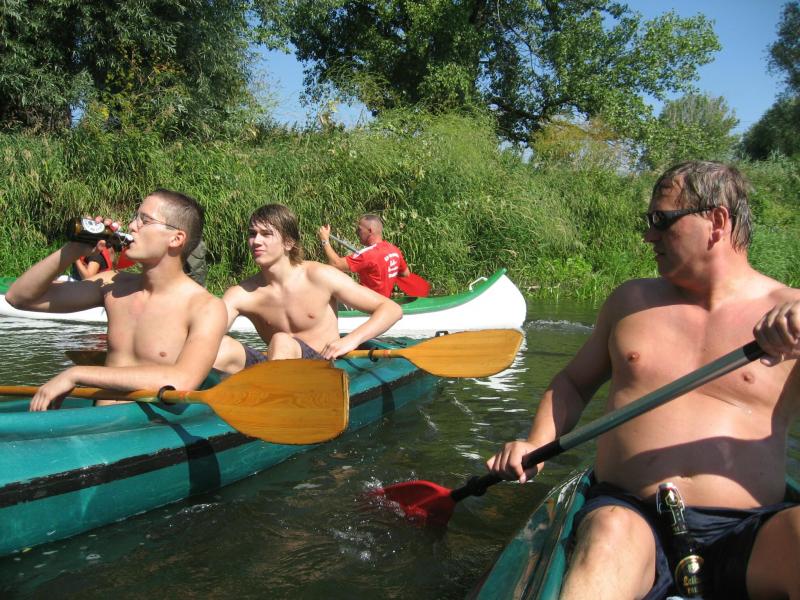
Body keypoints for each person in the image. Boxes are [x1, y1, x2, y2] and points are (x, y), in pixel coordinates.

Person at [485, 161, 800, 599]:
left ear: (717, 220)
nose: (649, 235)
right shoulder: (630, 301)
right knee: (610, 532)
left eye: (661, 220)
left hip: (753, 532)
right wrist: (534, 443)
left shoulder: (790, 315)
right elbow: (573, 383)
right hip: (631, 517)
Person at [6, 189, 228, 411]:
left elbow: (182, 380)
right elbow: (19, 298)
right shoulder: (114, 286)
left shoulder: (205, 308)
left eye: (145, 221)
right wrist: (74, 249)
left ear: (176, 238)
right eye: (135, 217)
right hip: (101, 420)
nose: (132, 226)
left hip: (150, 428)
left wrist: (76, 374)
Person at [212, 204, 402, 373]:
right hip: (277, 366)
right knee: (220, 347)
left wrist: (351, 340)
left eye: (266, 234)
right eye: (252, 234)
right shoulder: (241, 294)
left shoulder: (320, 276)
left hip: (323, 365)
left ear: (288, 242)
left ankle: (273, 393)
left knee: (281, 340)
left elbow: (391, 309)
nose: (256, 241)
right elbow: (206, 334)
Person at [317, 214, 411, 297]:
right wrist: (386, 273)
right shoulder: (394, 249)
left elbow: (335, 264)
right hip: (384, 301)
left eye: (359, 230)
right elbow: (405, 273)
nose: (357, 233)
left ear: (370, 231)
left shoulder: (367, 255)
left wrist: (325, 240)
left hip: (368, 304)